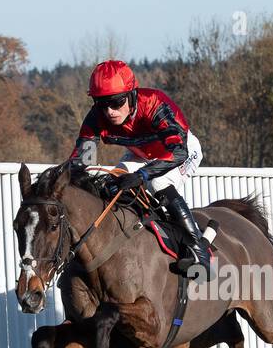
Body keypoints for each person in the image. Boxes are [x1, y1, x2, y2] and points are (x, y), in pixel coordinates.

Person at [68, 60, 209, 276]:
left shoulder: (154, 104)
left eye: (116, 102)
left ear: (132, 94)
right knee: (111, 186)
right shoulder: (96, 117)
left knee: (158, 182)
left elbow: (178, 152)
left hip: (181, 151)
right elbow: (82, 160)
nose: (110, 112)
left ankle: (200, 253)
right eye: (101, 103)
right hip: (141, 154)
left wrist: (142, 175)